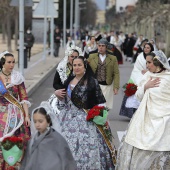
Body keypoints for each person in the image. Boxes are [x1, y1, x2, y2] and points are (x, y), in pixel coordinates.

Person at [57, 56, 116, 169]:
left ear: (85, 66)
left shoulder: (92, 82)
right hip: (67, 119)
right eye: (74, 65)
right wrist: (58, 95)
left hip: (86, 119)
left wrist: (100, 116)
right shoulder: (68, 82)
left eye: (79, 65)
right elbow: (63, 104)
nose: (77, 67)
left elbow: (99, 103)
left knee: (86, 147)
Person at [116, 50, 170, 170]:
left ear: (158, 63)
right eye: (146, 62)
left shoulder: (168, 78)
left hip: (165, 118)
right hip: (146, 116)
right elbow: (138, 95)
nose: (147, 65)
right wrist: (146, 86)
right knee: (139, 144)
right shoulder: (147, 76)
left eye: (149, 62)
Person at [20, 101, 76, 170]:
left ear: (48, 121)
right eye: (35, 121)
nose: (37, 125)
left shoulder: (57, 139)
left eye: (40, 121)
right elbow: (28, 161)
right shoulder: (32, 140)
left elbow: (66, 160)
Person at [0, 51, 31, 169]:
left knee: (14, 143)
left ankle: (11, 166)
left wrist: (27, 116)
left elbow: (24, 98)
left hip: (16, 116)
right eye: (9, 62)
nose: (12, 65)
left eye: (13, 62)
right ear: (3, 63)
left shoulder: (17, 78)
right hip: (1, 115)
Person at [119, 42, 154, 118]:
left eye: (148, 48)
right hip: (138, 76)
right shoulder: (140, 56)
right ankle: (133, 113)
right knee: (135, 95)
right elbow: (136, 68)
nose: (146, 49)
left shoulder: (154, 57)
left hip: (149, 77)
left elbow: (156, 67)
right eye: (145, 47)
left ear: (151, 49)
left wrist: (147, 72)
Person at [48, 45, 83, 113]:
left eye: (76, 57)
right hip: (62, 97)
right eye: (72, 56)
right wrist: (61, 91)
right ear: (68, 57)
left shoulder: (82, 68)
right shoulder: (61, 67)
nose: (73, 59)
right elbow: (55, 84)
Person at [88, 38, 120, 109]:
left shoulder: (113, 58)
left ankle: (104, 119)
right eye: (99, 46)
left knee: (106, 105)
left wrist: (116, 87)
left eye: (103, 46)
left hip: (107, 85)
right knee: (95, 105)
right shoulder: (91, 57)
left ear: (106, 47)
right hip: (96, 84)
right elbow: (86, 69)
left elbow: (116, 73)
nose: (101, 48)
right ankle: (96, 118)